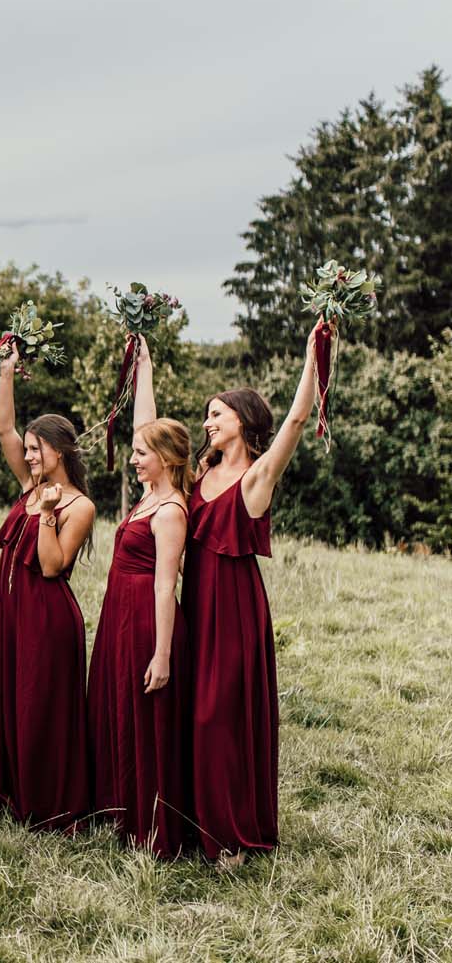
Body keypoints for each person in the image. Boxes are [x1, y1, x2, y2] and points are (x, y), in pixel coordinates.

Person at [181, 322, 329, 865]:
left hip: (234, 608)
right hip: (195, 604)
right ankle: (199, 825)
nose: (207, 422)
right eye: (207, 415)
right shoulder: (202, 472)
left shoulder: (256, 479)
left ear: (241, 421)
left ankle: (234, 836)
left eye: (216, 414)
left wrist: (314, 357)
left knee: (219, 717)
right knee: (192, 712)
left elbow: (295, 419)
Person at [0, 345, 95, 833]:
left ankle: (43, 802)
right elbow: (3, 426)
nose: (26, 455)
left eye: (35, 449)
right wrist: (5, 371)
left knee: (37, 706)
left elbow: (50, 566)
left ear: (57, 451)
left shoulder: (78, 506)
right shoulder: (28, 482)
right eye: (26, 449)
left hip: (46, 617)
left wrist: (46, 514)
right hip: (7, 610)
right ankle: (3, 788)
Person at [87, 337, 190, 856]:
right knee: (118, 707)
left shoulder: (170, 510)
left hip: (147, 620)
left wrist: (163, 654)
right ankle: (121, 804)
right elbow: (143, 425)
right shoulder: (150, 493)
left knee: (145, 717)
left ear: (166, 460)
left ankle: (151, 826)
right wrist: (144, 366)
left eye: (141, 455)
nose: (133, 459)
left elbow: (165, 585)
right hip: (119, 612)